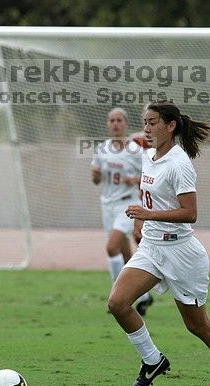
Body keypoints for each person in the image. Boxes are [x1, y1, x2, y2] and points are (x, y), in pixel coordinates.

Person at [107, 100, 210, 386]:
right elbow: (150, 194)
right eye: (144, 122)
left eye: (153, 122)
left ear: (170, 126)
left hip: (182, 253)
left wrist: (147, 214)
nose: (146, 128)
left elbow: (190, 213)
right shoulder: (149, 155)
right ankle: (153, 360)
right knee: (118, 303)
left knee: (197, 325)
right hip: (152, 247)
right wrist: (141, 221)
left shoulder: (179, 164)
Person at [91, 108, 154, 315]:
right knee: (126, 253)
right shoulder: (102, 148)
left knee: (111, 248)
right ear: (108, 124)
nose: (115, 123)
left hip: (127, 204)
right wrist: (96, 175)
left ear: (125, 124)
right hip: (107, 204)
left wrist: (135, 180)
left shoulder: (135, 150)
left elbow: (150, 175)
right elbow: (96, 180)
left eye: (119, 120)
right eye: (112, 120)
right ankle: (144, 295)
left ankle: (117, 296)